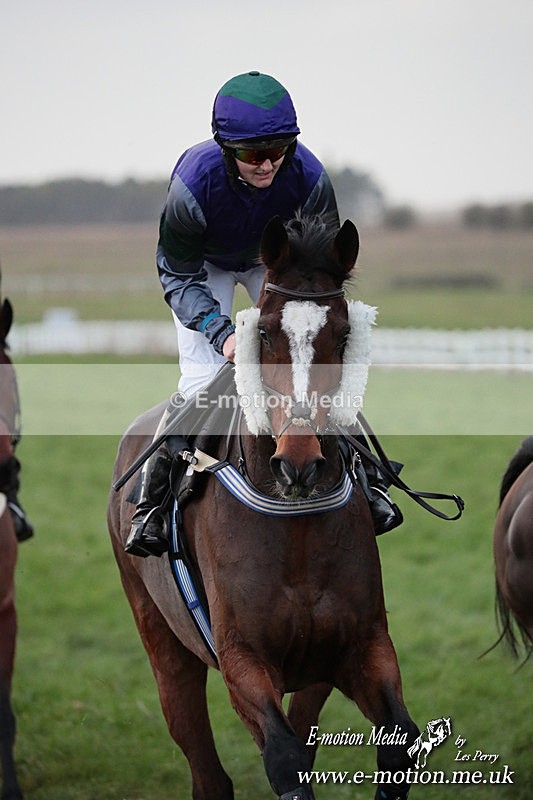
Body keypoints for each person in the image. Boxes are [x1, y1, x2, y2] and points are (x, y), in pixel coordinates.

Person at [126, 70, 397, 558]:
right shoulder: (192, 188)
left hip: (276, 262)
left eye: (279, 150)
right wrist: (220, 331)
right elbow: (177, 274)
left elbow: (322, 271)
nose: (268, 164)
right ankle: (152, 499)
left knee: (313, 361)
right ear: (226, 149)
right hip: (202, 266)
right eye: (253, 155)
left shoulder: (311, 179)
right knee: (203, 380)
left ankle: (369, 478)